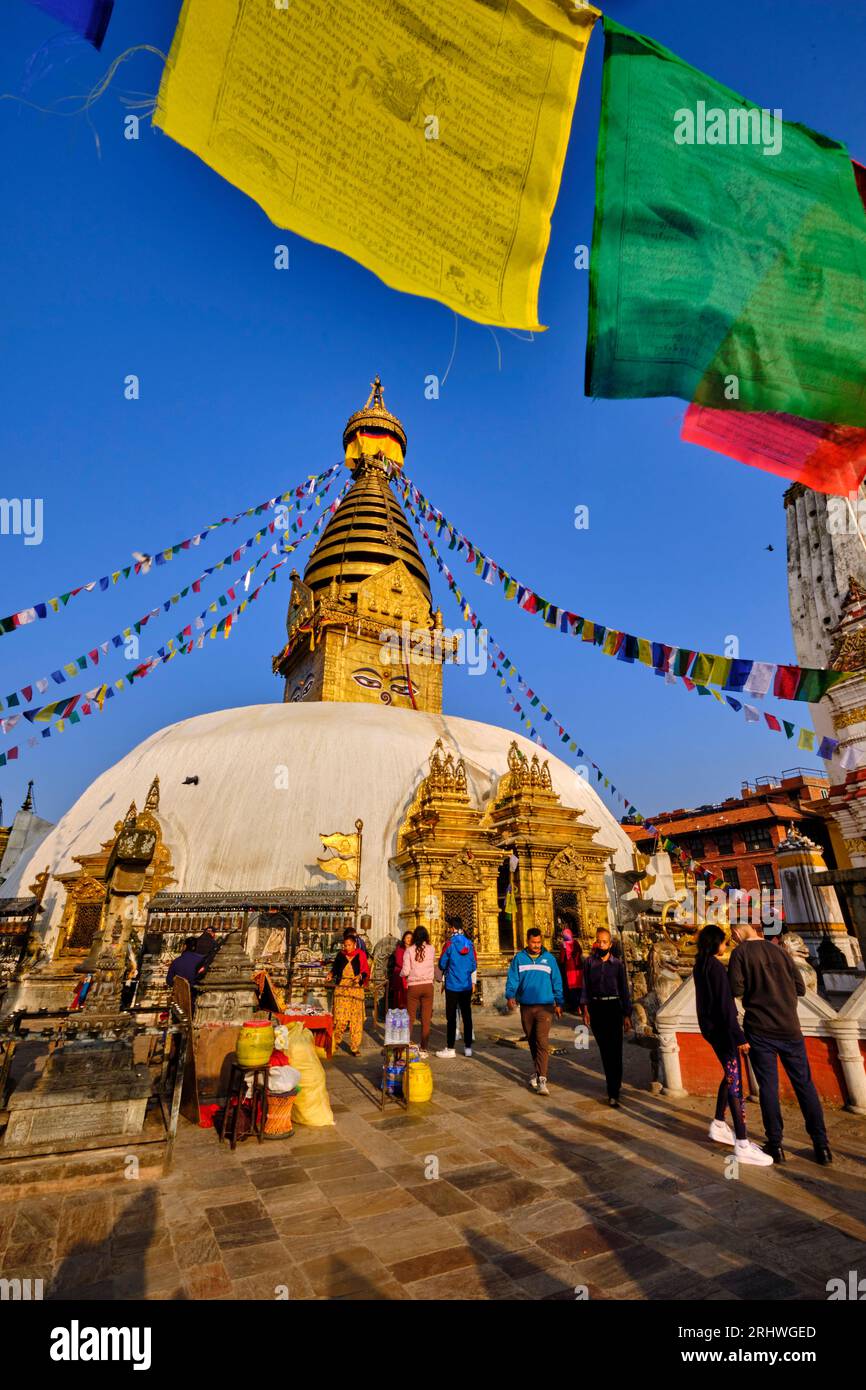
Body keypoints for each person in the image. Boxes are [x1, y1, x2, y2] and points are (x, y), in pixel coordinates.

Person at [728, 918, 832, 1165]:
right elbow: (800, 988)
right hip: (790, 1027)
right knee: (805, 1085)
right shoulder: (780, 952)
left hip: (760, 1029)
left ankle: (775, 1144)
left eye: (732, 935)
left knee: (769, 1088)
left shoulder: (740, 953)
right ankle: (822, 1145)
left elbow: (735, 989)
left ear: (737, 932)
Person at [693, 925, 773, 1166]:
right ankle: (742, 1142)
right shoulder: (715, 968)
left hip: (712, 1029)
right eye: (723, 942)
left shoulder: (701, 965)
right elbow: (725, 1007)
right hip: (724, 1031)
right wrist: (739, 1037)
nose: (725, 946)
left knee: (730, 1076)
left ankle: (718, 1123)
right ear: (714, 943)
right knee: (735, 1083)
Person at [505, 927, 563, 1095]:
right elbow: (513, 978)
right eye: (533, 942)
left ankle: (542, 1079)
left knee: (542, 1041)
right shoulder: (519, 959)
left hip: (545, 1007)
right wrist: (510, 995)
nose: (537, 945)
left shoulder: (549, 959)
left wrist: (559, 1002)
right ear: (527, 941)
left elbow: (557, 981)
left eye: (539, 942)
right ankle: (537, 1072)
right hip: (527, 1007)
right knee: (531, 1040)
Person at [580, 926, 632, 1108]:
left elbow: (624, 990)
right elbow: (585, 986)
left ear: (610, 944)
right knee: (605, 1050)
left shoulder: (617, 964)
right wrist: (585, 1009)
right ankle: (612, 1084)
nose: (601, 944)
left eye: (604, 941)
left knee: (615, 1050)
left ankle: (614, 1090)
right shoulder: (589, 963)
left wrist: (627, 1014)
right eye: (599, 941)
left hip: (614, 1007)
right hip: (596, 1007)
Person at [436, 916, 477, 1059]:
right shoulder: (470, 944)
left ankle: (451, 1048)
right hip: (465, 985)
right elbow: (473, 965)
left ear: (452, 928)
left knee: (451, 1017)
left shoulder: (449, 945)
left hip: (452, 986)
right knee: (467, 1016)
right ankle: (468, 1048)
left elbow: (441, 964)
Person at [331, 929, 369, 1056]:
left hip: (356, 990)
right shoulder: (340, 955)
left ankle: (354, 1047)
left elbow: (365, 971)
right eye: (345, 945)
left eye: (349, 945)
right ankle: (335, 1042)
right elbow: (335, 969)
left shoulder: (361, 955)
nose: (346, 947)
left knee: (356, 1020)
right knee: (340, 1018)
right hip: (341, 989)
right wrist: (330, 974)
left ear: (354, 945)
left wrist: (360, 977)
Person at [401, 924, 436, 1058]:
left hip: (414, 987)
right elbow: (432, 965)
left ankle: (406, 1045)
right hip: (428, 986)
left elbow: (406, 971)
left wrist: (400, 975)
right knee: (426, 1019)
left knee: (410, 1018)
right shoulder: (431, 949)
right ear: (426, 936)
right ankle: (424, 1049)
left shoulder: (409, 951)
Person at [557, 924, 584, 1014]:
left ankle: (578, 1007)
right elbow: (580, 952)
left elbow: (561, 959)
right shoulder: (573, 943)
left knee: (575, 988)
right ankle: (578, 1007)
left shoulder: (569, 944)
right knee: (576, 988)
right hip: (574, 968)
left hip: (573, 969)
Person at [388, 929, 413, 1010]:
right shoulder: (400, 949)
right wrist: (408, 970)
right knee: (399, 995)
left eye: (411, 938)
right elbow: (399, 962)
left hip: (411, 974)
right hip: (400, 973)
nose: (409, 939)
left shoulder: (413, 948)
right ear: (404, 939)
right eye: (407, 937)